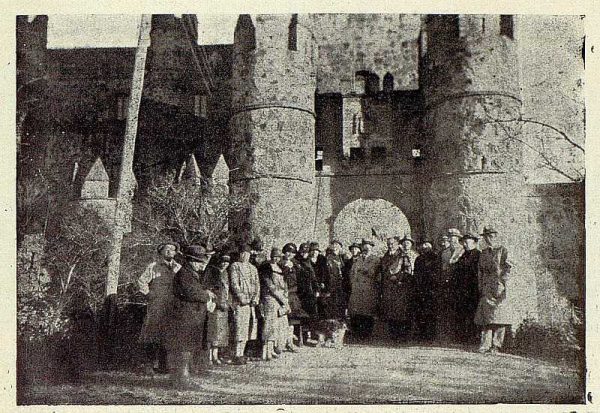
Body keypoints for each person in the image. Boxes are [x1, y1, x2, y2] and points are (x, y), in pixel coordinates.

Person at [166, 244, 215, 389]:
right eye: (200, 262)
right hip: (184, 317)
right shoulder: (185, 274)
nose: (203, 264)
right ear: (192, 261)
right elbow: (192, 293)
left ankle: (181, 379)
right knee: (183, 349)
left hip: (190, 317)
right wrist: (207, 294)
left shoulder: (190, 274)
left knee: (186, 349)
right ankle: (182, 380)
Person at [136, 242, 181, 375]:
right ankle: (149, 364)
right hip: (156, 305)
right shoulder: (153, 267)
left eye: (172, 250)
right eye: (167, 249)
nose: (169, 252)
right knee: (152, 334)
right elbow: (141, 281)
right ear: (161, 251)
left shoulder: (178, 268)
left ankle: (164, 364)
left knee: (168, 334)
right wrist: (149, 294)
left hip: (172, 306)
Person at [474, 227, 514, 353]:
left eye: (490, 236)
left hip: (498, 286)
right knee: (486, 317)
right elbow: (480, 270)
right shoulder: (484, 252)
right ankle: (485, 344)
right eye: (486, 237)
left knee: (499, 317)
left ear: (496, 236)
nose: (488, 239)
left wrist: (503, 282)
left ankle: (496, 345)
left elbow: (509, 267)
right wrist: (481, 285)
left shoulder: (502, 250)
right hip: (487, 287)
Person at [229, 244, 261, 364]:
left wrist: (255, 298)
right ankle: (236, 354)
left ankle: (242, 353)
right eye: (242, 253)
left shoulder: (253, 268)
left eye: (247, 254)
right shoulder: (235, 266)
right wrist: (242, 298)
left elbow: (257, 285)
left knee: (249, 328)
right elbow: (234, 284)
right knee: (239, 328)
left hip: (251, 303)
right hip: (240, 302)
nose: (245, 256)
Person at [258, 248, 289, 360]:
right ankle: (265, 351)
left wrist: (285, 297)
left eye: (278, 257)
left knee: (277, 326)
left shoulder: (281, 268)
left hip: (280, 300)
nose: (276, 258)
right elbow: (270, 286)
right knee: (269, 325)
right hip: (270, 298)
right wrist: (282, 298)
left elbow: (285, 285)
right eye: (274, 256)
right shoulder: (266, 268)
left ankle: (271, 349)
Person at [380, 236, 412, 339]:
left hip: (400, 287)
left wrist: (399, 278)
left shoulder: (402, 256)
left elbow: (408, 271)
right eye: (388, 244)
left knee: (401, 311)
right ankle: (393, 334)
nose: (390, 246)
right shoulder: (385, 257)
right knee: (390, 310)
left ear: (398, 244)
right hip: (388, 288)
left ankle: (402, 335)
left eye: (392, 244)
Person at [202, 253, 231, 365]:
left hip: (224, 305)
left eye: (227, 262)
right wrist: (218, 302)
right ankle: (209, 357)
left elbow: (228, 290)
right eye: (222, 261)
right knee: (212, 331)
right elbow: (209, 289)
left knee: (221, 332)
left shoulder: (225, 273)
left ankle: (216, 355)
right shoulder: (211, 271)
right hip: (214, 306)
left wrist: (228, 302)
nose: (224, 264)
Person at [436, 228, 464, 344]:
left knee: (458, 309)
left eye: (454, 237)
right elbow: (442, 268)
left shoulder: (462, 250)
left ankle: (458, 336)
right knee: (446, 309)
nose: (452, 239)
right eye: (450, 237)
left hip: (458, 283)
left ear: (458, 238)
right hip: (446, 283)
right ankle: (447, 336)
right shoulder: (445, 252)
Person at [348, 239, 379, 338]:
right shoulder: (357, 259)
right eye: (364, 247)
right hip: (357, 288)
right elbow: (352, 273)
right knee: (356, 311)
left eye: (368, 247)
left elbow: (374, 273)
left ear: (371, 248)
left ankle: (366, 334)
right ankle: (357, 333)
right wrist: (353, 283)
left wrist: (365, 270)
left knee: (367, 311)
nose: (366, 249)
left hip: (368, 288)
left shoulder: (375, 259)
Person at [454, 232, 481, 345]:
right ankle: (463, 338)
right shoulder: (463, 255)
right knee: (462, 312)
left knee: (473, 313)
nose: (464, 244)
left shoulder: (478, 255)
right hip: (462, 289)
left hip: (473, 288)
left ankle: (473, 338)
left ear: (474, 242)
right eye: (463, 242)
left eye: (467, 242)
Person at [281, 242, 308, 348]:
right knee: (283, 320)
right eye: (288, 252)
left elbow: (303, 278)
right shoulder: (279, 262)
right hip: (283, 293)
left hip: (293, 294)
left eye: (292, 253)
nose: (289, 254)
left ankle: (290, 342)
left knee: (293, 320)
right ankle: (282, 343)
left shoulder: (296, 263)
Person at [412, 242, 439, 341]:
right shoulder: (419, 259)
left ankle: (430, 335)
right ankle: (421, 334)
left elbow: (437, 273)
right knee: (420, 312)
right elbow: (416, 273)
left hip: (431, 289)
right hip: (420, 288)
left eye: (427, 246)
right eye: (423, 246)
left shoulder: (435, 258)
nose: (425, 248)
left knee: (430, 313)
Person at [295, 242, 319, 318]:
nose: (304, 254)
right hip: (300, 291)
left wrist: (316, 289)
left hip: (309, 291)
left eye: (306, 252)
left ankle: (310, 328)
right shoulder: (295, 262)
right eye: (302, 252)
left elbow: (313, 277)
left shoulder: (308, 262)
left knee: (311, 312)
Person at [325, 240, 347, 319]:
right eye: (333, 245)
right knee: (332, 302)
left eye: (337, 245)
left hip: (341, 283)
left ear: (340, 247)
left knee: (341, 302)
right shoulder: (328, 258)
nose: (335, 247)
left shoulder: (344, 257)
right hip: (331, 283)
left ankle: (341, 319)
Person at [308, 242, 329, 318]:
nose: (314, 253)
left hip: (320, 285)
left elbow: (326, 273)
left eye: (316, 251)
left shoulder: (322, 260)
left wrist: (324, 282)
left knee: (322, 304)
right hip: (310, 285)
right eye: (312, 251)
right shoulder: (307, 260)